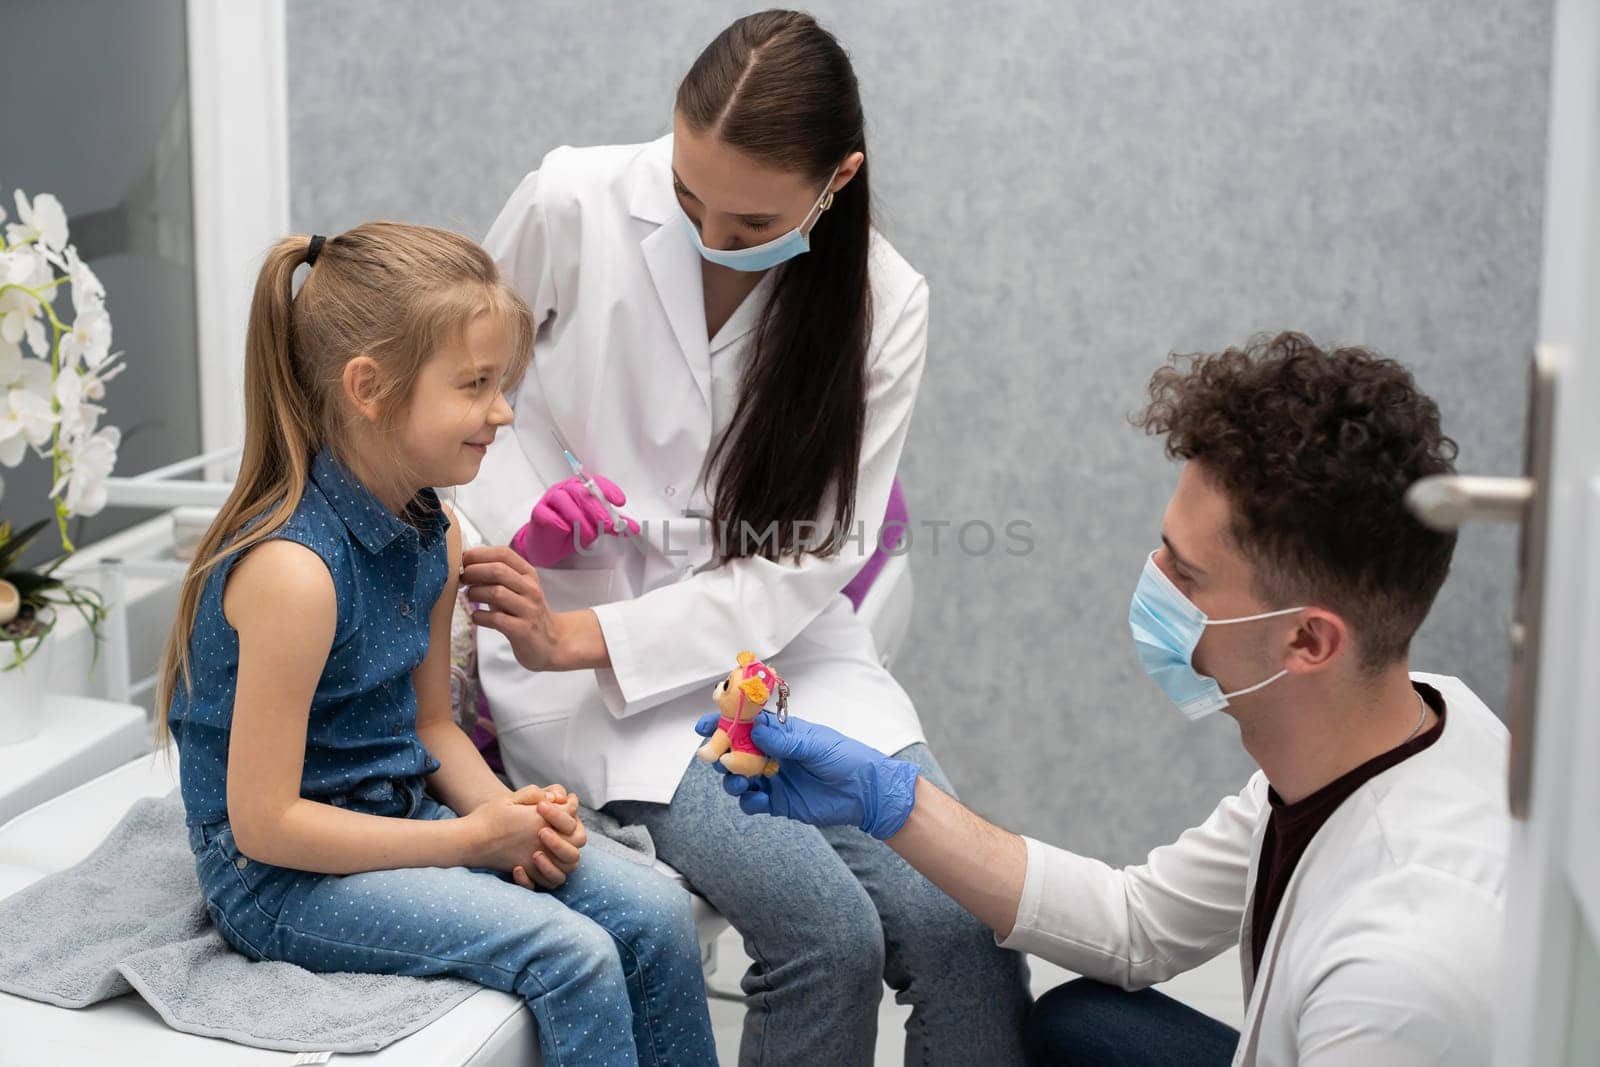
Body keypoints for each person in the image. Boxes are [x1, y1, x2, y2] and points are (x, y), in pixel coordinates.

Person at [454, 9, 1031, 1064]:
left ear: (837, 179)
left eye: (749, 221)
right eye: (686, 198)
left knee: (966, 930)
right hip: (577, 640)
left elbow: (814, 553)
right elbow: (457, 386)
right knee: (826, 934)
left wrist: (588, 635)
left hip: (778, 645)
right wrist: (521, 524)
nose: (708, 238)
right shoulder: (571, 197)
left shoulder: (882, 301)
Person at [708, 334, 1510, 1066]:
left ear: (1308, 641)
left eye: (1186, 576)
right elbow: (1135, 923)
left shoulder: (1395, 978)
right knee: (1085, 1026)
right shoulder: (1392, 728)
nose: (1152, 581)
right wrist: (891, 801)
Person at [159, 223, 717, 1066]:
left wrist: (503, 812)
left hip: (397, 815)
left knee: (659, 912)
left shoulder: (436, 529)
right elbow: (265, 824)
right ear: (368, 388)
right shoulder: (295, 574)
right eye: (476, 384)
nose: (503, 411)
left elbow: (430, 727)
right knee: (573, 954)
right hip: (280, 880)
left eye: (504, 383)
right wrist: (466, 841)